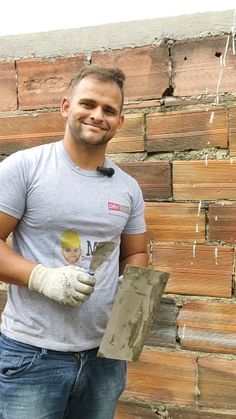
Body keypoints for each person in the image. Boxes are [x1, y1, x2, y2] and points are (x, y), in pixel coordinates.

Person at [0, 65, 148, 419]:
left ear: (120, 122)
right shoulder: (26, 168)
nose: (98, 115)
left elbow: (136, 253)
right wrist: (43, 278)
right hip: (32, 357)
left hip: (104, 361)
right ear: (66, 106)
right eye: (89, 104)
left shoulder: (127, 188)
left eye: (109, 110)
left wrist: (132, 299)